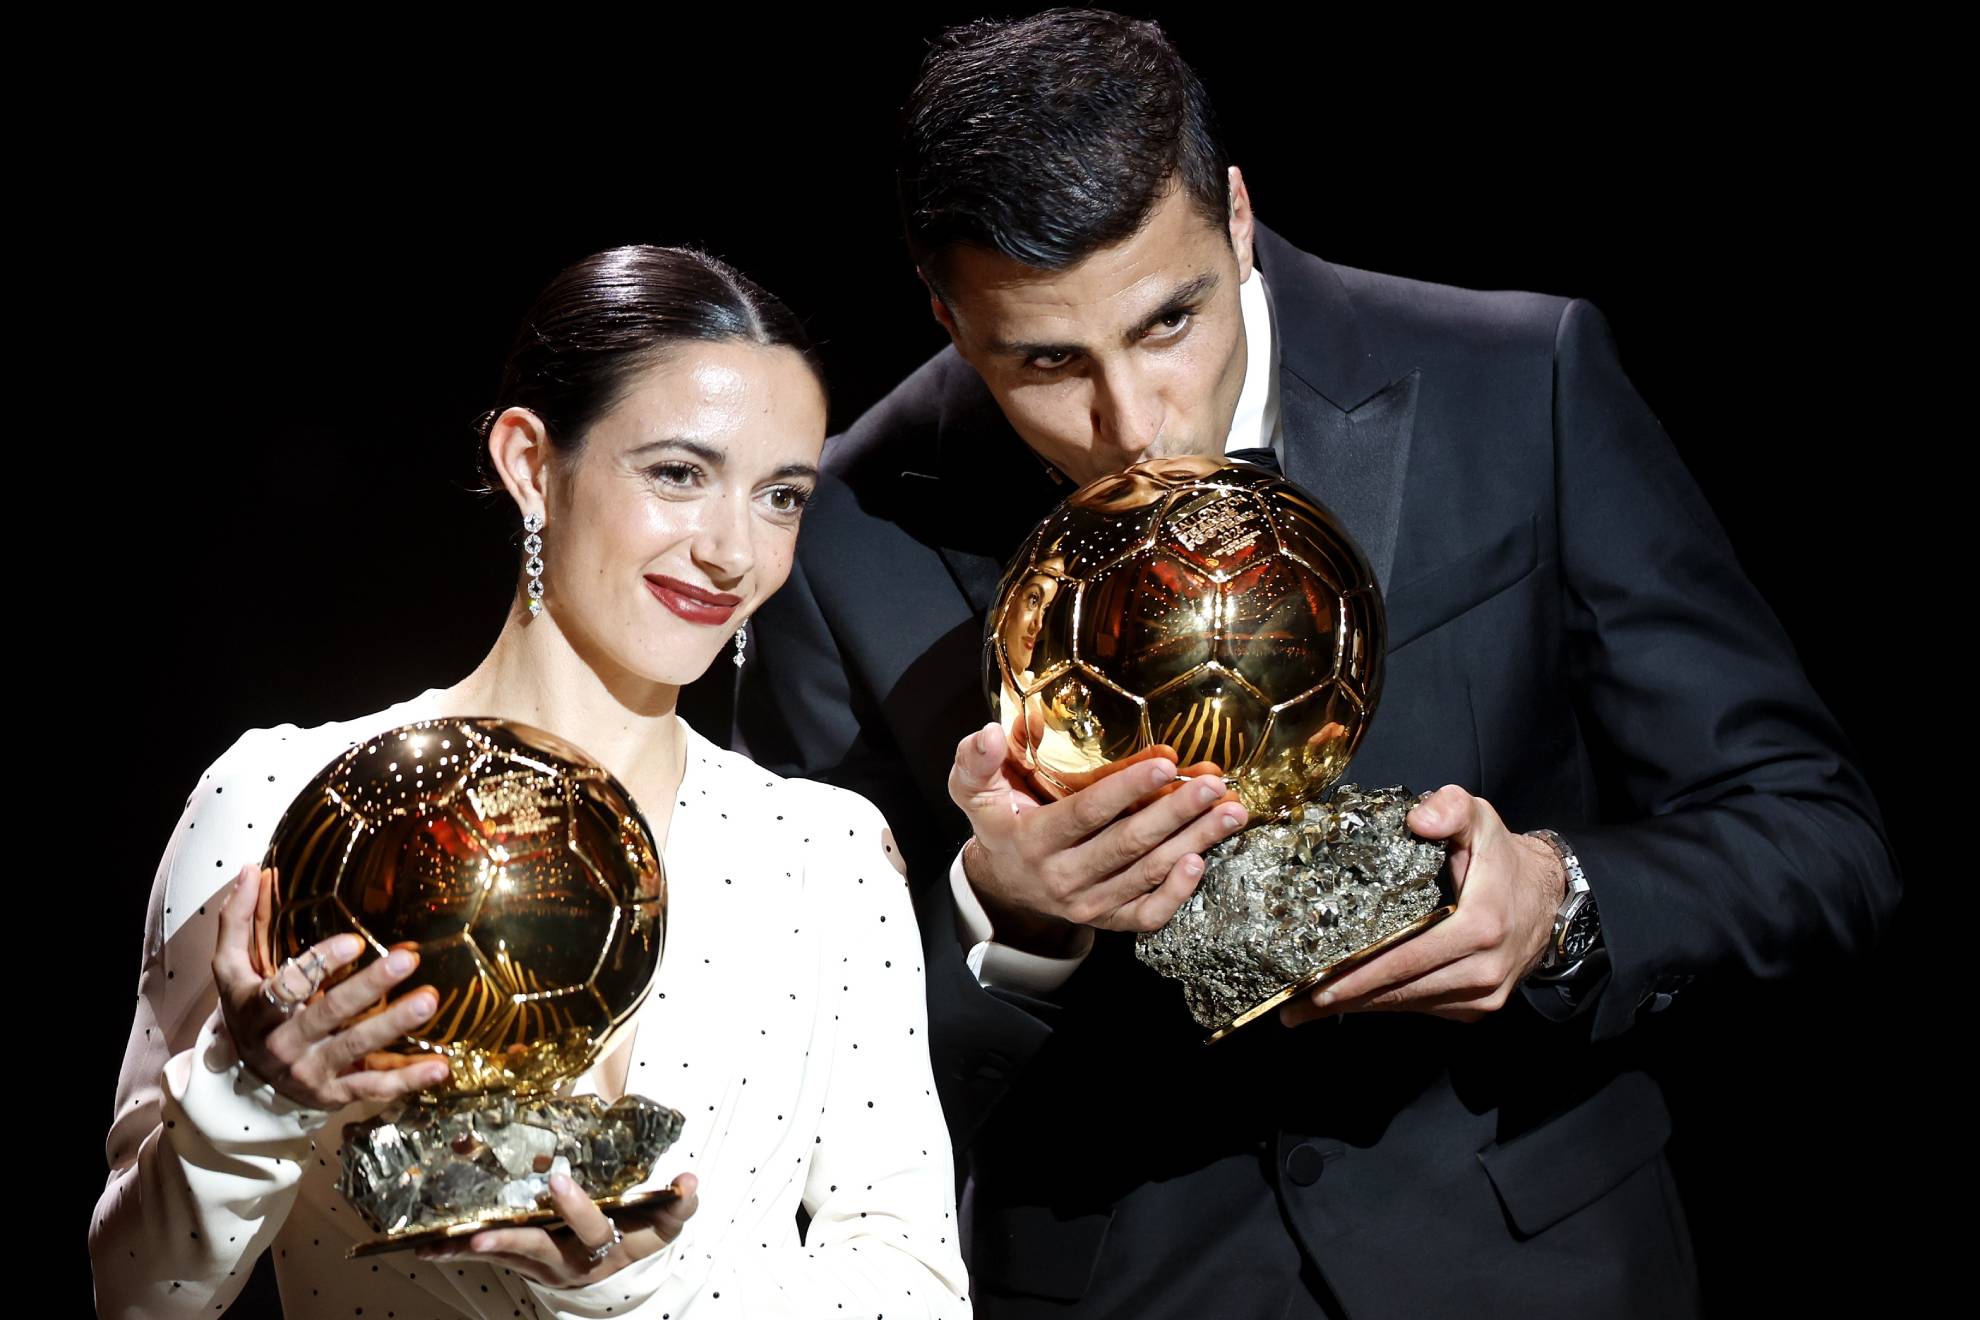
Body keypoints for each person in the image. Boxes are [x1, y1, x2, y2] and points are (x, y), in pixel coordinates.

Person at [711, 11, 1901, 1319]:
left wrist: (1558, 901)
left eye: (1171, 321)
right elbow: (789, 1078)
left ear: (1235, 218)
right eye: (1046, 362)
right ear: (947, 314)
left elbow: (1816, 835)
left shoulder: (1518, 382)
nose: (1132, 422)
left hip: (1537, 1271)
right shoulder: (834, 537)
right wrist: (1009, 924)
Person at [90, 246, 971, 1320]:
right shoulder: (283, 799)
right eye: (679, 474)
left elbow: (915, 1292)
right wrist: (253, 1095)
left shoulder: (823, 856)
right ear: (528, 462)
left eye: (780, 496)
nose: (734, 552)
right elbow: (141, 1300)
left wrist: (636, 1283)